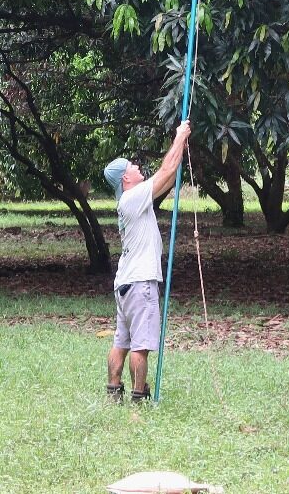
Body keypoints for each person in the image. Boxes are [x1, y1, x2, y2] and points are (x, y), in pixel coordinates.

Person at [102, 120, 189, 403]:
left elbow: (168, 175)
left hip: (125, 284)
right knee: (141, 346)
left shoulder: (131, 200)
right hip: (141, 284)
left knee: (121, 342)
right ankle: (139, 397)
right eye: (132, 167)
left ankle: (113, 392)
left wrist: (178, 148)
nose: (137, 167)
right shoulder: (132, 197)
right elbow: (167, 171)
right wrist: (180, 136)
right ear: (125, 179)